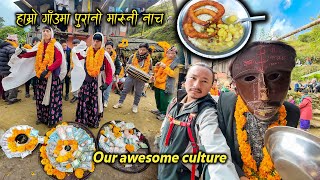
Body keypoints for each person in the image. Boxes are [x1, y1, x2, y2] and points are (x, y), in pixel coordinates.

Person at [217, 41, 300, 179]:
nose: (264, 96)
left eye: (274, 77)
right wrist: (238, 174)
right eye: (250, 79)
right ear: (236, 88)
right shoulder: (226, 105)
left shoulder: (292, 113)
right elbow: (218, 147)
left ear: (289, 82)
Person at [157, 63, 238, 180]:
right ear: (185, 79)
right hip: (164, 167)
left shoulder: (206, 113)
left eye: (204, 81)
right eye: (193, 78)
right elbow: (165, 124)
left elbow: (215, 147)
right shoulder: (175, 101)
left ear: (211, 86)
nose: (196, 85)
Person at [3, 26, 67, 127]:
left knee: (51, 98)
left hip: (51, 77)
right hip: (41, 77)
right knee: (40, 97)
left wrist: (48, 69)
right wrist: (22, 54)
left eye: (47, 31)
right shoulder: (40, 45)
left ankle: (52, 120)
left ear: (51, 33)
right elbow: (32, 53)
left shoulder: (56, 45)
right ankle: (41, 117)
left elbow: (59, 60)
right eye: (43, 31)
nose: (45, 33)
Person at [72, 33, 114, 128]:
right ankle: (82, 120)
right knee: (84, 100)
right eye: (94, 40)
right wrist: (77, 49)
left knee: (94, 101)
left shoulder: (104, 55)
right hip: (85, 81)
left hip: (96, 83)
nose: (95, 43)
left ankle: (92, 121)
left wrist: (107, 83)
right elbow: (79, 57)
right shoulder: (87, 51)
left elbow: (109, 71)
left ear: (101, 42)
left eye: (98, 41)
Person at [113, 43, 152, 113]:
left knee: (138, 93)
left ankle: (135, 105)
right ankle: (120, 102)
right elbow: (127, 64)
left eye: (143, 50)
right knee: (125, 90)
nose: (141, 51)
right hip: (130, 77)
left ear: (147, 50)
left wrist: (150, 76)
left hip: (141, 79)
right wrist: (128, 69)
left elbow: (150, 70)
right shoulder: (133, 56)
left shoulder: (149, 60)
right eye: (140, 49)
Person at [150, 46, 179, 120]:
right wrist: (156, 67)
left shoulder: (177, 63)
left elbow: (174, 74)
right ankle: (159, 110)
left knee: (164, 100)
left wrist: (165, 67)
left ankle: (164, 113)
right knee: (158, 98)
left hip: (166, 85)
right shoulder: (164, 60)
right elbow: (157, 71)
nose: (170, 55)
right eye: (168, 53)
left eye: (172, 53)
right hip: (157, 83)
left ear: (176, 54)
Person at [0, 34, 21, 104]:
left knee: (6, 83)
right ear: (13, 41)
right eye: (16, 40)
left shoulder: (2, 47)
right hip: (9, 70)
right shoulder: (11, 48)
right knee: (13, 83)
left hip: (2, 70)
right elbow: (13, 60)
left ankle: (6, 97)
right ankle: (12, 98)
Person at [103, 41, 121, 108]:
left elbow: (118, 66)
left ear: (112, 48)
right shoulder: (102, 54)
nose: (108, 50)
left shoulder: (115, 56)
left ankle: (105, 101)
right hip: (102, 74)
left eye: (109, 48)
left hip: (110, 75)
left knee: (107, 89)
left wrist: (116, 74)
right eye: (107, 48)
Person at [69, 39, 80, 103]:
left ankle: (78, 96)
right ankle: (75, 95)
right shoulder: (72, 51)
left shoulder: (82, 51)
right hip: (73, 69)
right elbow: (71, 61)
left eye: (76, 45)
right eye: (74, 45)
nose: (75, 46)